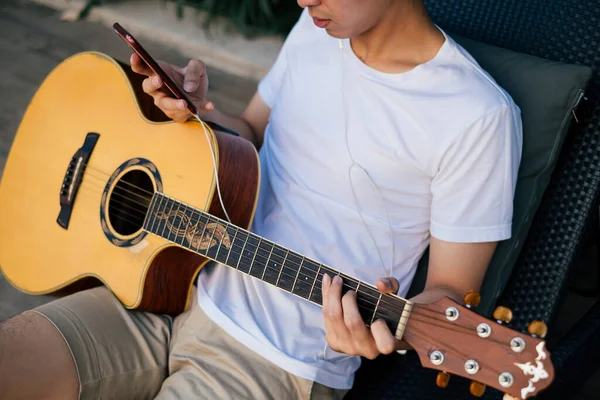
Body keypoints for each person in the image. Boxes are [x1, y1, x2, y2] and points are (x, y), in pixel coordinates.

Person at [0, 0, 522, 399]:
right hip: (169, 279)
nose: (301, 0)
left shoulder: (476, 115)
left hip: (275, 358)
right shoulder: (317, 30)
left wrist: (390, 332)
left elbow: (449, 294)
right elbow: (248, 133)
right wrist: (190, 110)